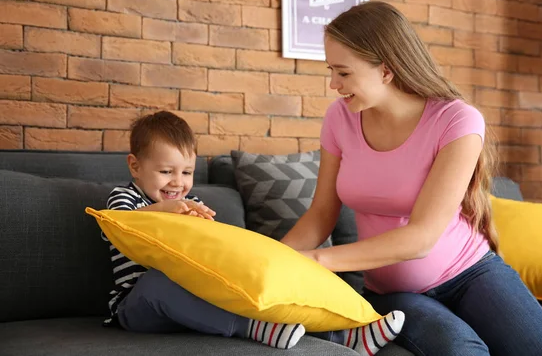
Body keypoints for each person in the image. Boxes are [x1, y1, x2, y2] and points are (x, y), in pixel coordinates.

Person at [280, 0, 542, 356]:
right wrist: (270, 260)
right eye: (331, 70)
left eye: (343, 73)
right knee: (461, 350)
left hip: (473, 274)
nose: (333, 84)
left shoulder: (456, 120)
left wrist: (318, 260)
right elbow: (321, 214)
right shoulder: (339, 120)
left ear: (385, 70)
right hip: (393, 292)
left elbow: (421, 238)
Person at [101, 110, 404, 355]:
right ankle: (252, 328)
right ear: (135, 166)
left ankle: (347, 335)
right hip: (138, 307)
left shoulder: (192, 204)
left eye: (187, 172)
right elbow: (119, 221)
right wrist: (165, 212)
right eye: (166, 172)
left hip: (193, 301)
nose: (177, 183)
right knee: (157, 283)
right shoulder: (125, 198)